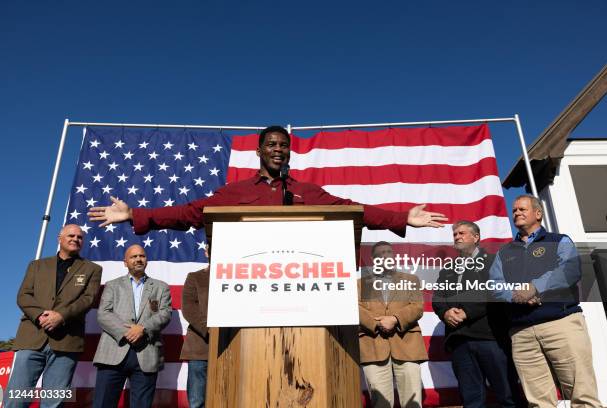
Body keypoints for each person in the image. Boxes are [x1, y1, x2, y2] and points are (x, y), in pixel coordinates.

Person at [87, 126, 447, 235]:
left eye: (284, 146)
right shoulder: (235, 192)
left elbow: (352, 210)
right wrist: (136, 214)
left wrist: (403, 218)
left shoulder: (305, 192)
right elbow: (189, 213)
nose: (279, 150)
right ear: (259, 151)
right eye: (272, 145)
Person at [489, 195, 602, 407]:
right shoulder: (504, 252)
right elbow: (494, 286)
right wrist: (517, 295)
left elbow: (569, 270)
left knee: (582, 395)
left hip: (561, 324)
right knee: (538, 402)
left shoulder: (559, 241)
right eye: (514, 211)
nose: (517, 213)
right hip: (522, 334)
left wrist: (534, 287)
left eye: (522, 209)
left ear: (538, 214)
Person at [5, 224, 102, 408]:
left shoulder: (92, 269)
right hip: (32, 338)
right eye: (71, 235)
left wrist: (61, 316)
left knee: (53, 402)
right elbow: (23, 295)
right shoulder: (36, 265)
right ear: (60, 238)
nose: (75, 239)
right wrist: (40, 315)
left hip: (67, 342)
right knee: (16, 398)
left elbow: (87, 300)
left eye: (79, 237)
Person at [432, 221, 524, 408]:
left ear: (476, 237)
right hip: (460, 341)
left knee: (507, 395)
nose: (457, 237)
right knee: (471, 400)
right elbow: (437, 298)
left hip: (491, 338)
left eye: (462, 233)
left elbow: (494, 292)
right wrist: (445, 312)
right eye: (455, 234)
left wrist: (467, 311)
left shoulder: (493, 261)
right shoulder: (448, 269)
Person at [92, 244, 172, 408]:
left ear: (146, 260)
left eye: (141, 256)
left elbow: (165, 314)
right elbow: (103, 313)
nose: (138, 259)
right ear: (125, 262)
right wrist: (127, 332)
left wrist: (142, 328)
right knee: (103, 403)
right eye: (133, 257)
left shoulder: (161, 286)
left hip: (146, 352)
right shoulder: (112, 285)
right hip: (113, 352)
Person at [359, 241, 427, 408]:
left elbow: (417, 307)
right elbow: (355, 308)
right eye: (381, 253)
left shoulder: (411, 279)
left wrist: (395, 319)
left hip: (407, 346)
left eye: (389, 252)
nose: (386, 255)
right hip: (373, 346)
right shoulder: (360, 284)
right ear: (373, 259)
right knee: (381, 403)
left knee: (413, 403)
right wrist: (377, 324)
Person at [179, 247, 211, 408]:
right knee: (197, 401)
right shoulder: (196, 277)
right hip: (200, 346)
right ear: (207, 252)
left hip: (232, 346)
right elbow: (189, 308)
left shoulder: (238, 277)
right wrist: (210, 330)